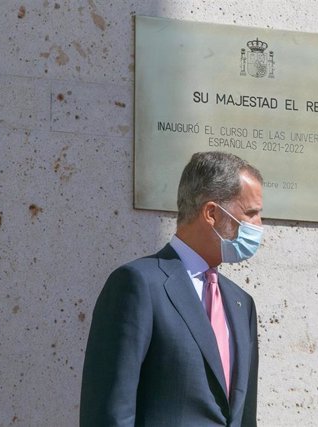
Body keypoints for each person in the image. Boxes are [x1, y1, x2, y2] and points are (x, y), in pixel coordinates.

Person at [80, 151, 263, 426]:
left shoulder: (241, 303)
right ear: (212, 213)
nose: (259, 225)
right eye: (251, 213)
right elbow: (109, 414)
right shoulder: (138, 284)